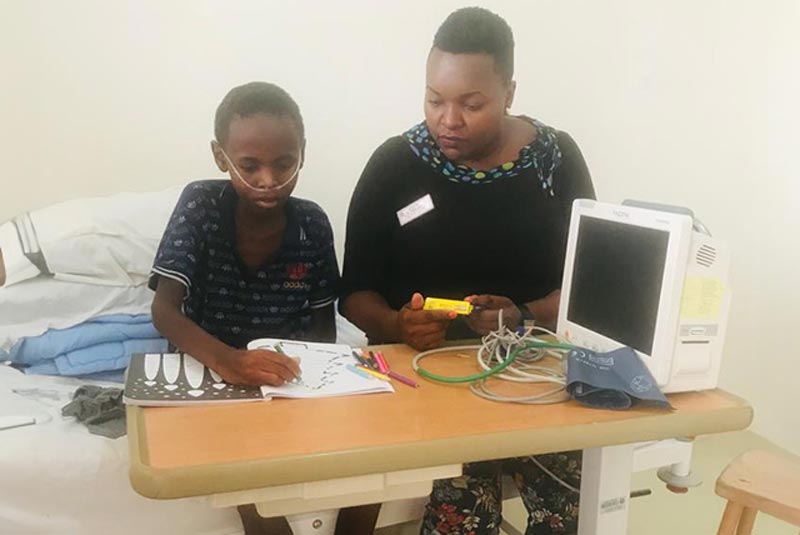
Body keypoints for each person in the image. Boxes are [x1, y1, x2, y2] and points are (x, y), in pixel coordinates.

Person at [340, 8, 595, 535]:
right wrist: (395, 325)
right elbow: (354, 291)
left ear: (509, 92)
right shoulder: (395, 165)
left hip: (533, 371)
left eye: (470, 104)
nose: (448, 120)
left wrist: (521, 315)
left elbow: (585, 282)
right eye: (435, 99)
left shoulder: (556, 161)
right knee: (461, 514)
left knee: (573, 510)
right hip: (424, 374)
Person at [150, 82, 379, 535]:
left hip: (287, 368)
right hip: (212, 363)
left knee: (369, 467)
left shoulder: (311, 224)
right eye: (249, 166)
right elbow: (165, 311)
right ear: (221, 157)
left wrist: (301, 379)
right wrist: (230, 362)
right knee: (251, 485)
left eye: (284, 164)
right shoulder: (200, 206)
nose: (269, 180)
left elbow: (321, 326)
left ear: (303, 153)